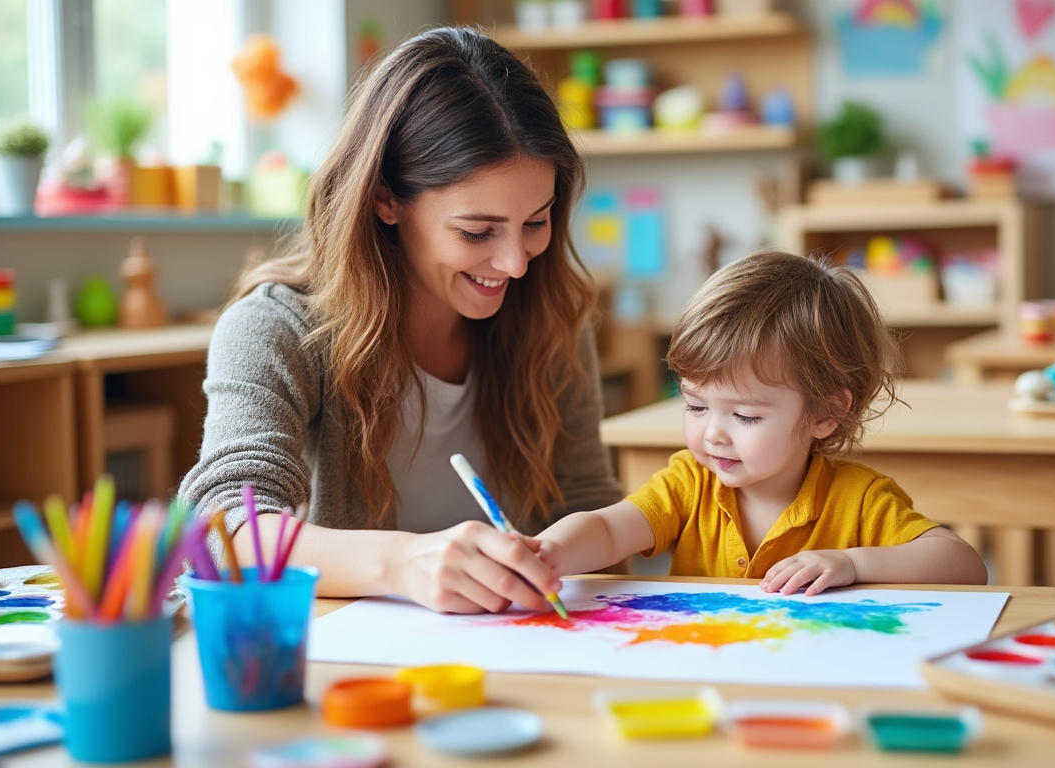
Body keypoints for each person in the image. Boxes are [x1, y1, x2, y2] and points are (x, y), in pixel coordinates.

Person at [178, 26, 623, 614]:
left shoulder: (550, 315)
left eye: (535, 222)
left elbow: (589, 504)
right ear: (386, 198)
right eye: (477, 232)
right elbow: (221, 527)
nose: (516, 263)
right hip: (351, 654)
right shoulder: (276, 329)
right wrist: (401, 562)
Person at [533, 250, 989, 595]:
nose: (713, 433)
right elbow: (609, 529)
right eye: (695, 406)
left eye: (744, 415)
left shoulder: (858, 499)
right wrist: (549, 551)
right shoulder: (689, 484)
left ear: (827, 413)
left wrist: (853, 564)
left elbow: (963, 564)